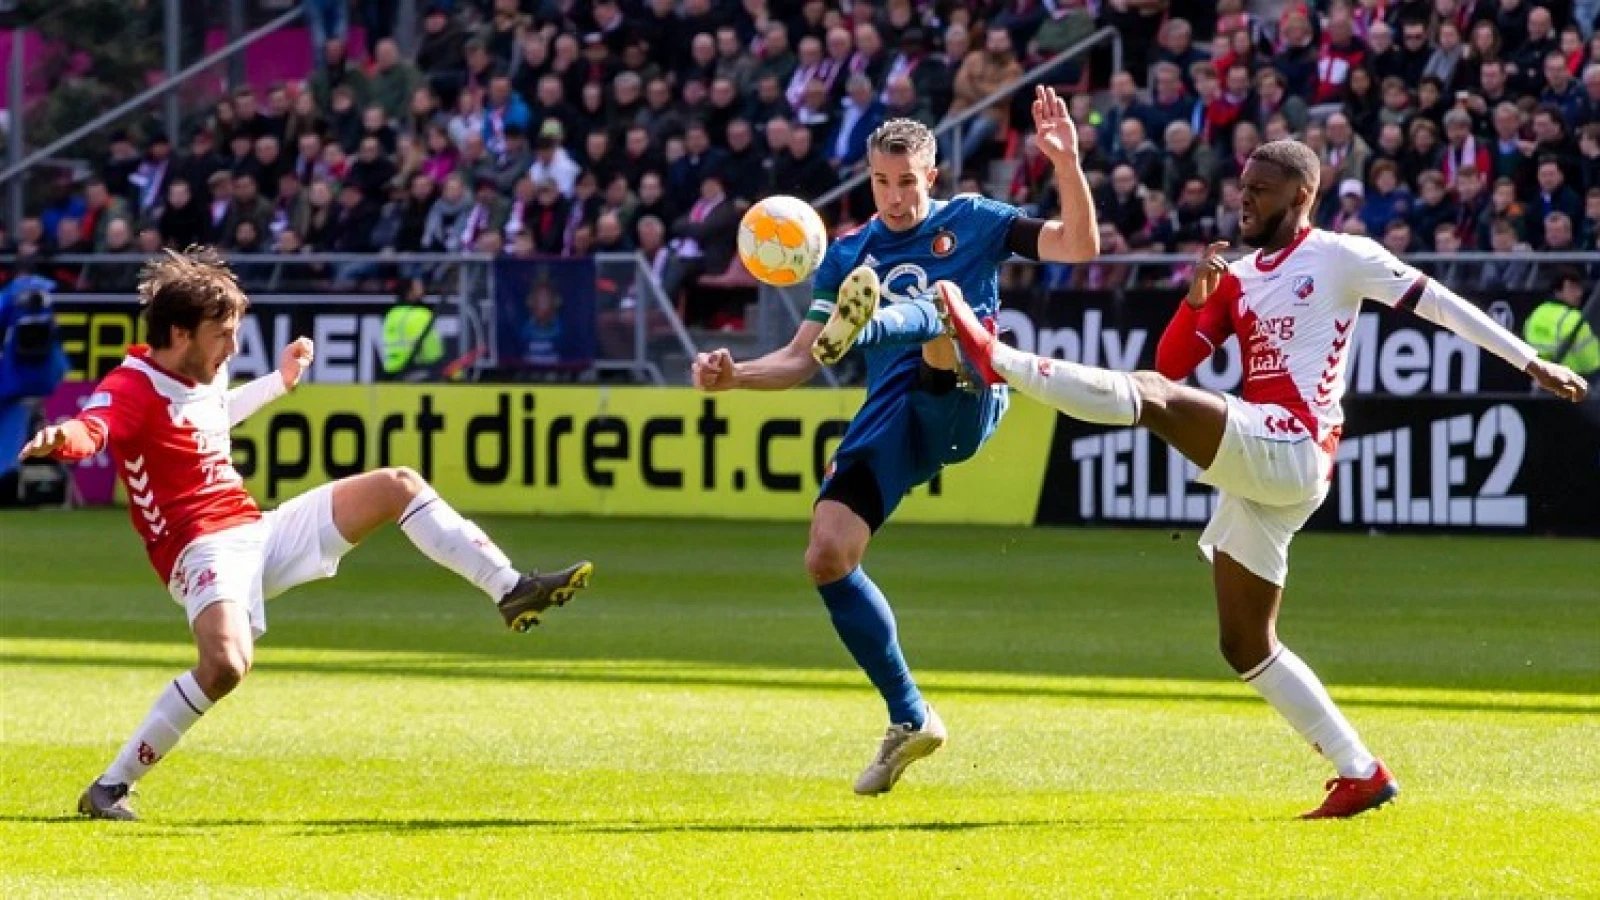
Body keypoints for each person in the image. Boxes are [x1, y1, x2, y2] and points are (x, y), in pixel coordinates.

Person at [936, 140, 1590, 819]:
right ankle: (1360, 772)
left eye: (1261, 189)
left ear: (1300, 195)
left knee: (1153, 399)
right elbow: (1173, 359)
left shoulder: (1342, 256)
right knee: (1245, 641)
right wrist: (1196, 299)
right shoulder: (1240, 275)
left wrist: (1529, 362)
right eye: (1243, 185)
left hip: (1295, 444)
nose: (1243, 199)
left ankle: (1001, 362)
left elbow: (1441, 304)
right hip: (1263, 467)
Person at [19, 249, 595, 821]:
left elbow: (213, 410)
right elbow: (93, 427)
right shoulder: (131, 386)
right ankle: (110, 787)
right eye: (222, 335)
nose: (233, 348)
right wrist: (61, 441)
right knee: (224, 667)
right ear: (179, 332)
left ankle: (510, 587)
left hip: (257, 529)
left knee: (398, 485)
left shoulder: (198, 374)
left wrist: (279, 382)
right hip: (200, 547)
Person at [690, 88, 1100, 795]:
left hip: (966, 392)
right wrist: (735, 376)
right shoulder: (849, 250)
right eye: (882, 181)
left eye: (907, 181)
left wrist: (1065, 164)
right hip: (890, 414)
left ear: (931, 176)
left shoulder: (975, 220)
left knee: (945, 318)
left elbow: (1079, 246)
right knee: (827, 554)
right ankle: (911, 718)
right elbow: (799, 357)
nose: (895, 196)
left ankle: (874, 324)